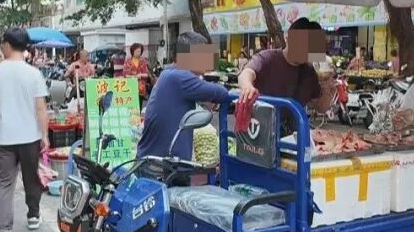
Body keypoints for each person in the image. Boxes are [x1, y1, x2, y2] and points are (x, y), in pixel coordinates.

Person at [0, 28, 49, 232]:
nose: (1, 46)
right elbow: (41, 108)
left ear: (9, 44)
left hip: (4, 138)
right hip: (30, 136)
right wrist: (45, 135)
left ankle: (3, 230)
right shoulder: (34, 74)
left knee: (3, 184)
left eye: (3, 42)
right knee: (32, 177)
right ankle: (33, 214)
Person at [138, 32, 230, 160]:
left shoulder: (169, 72)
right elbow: (222, 93)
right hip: (164, 168)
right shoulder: (180, 77)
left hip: (155, 161)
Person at [237, 18, 336, 133]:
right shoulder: (267, 58)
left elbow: (321, 107)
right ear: (288, 39)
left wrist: (328, 89)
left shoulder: (309, 72)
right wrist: (247, 87)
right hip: (260, 133)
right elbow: (246, 73)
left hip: (293, 139)